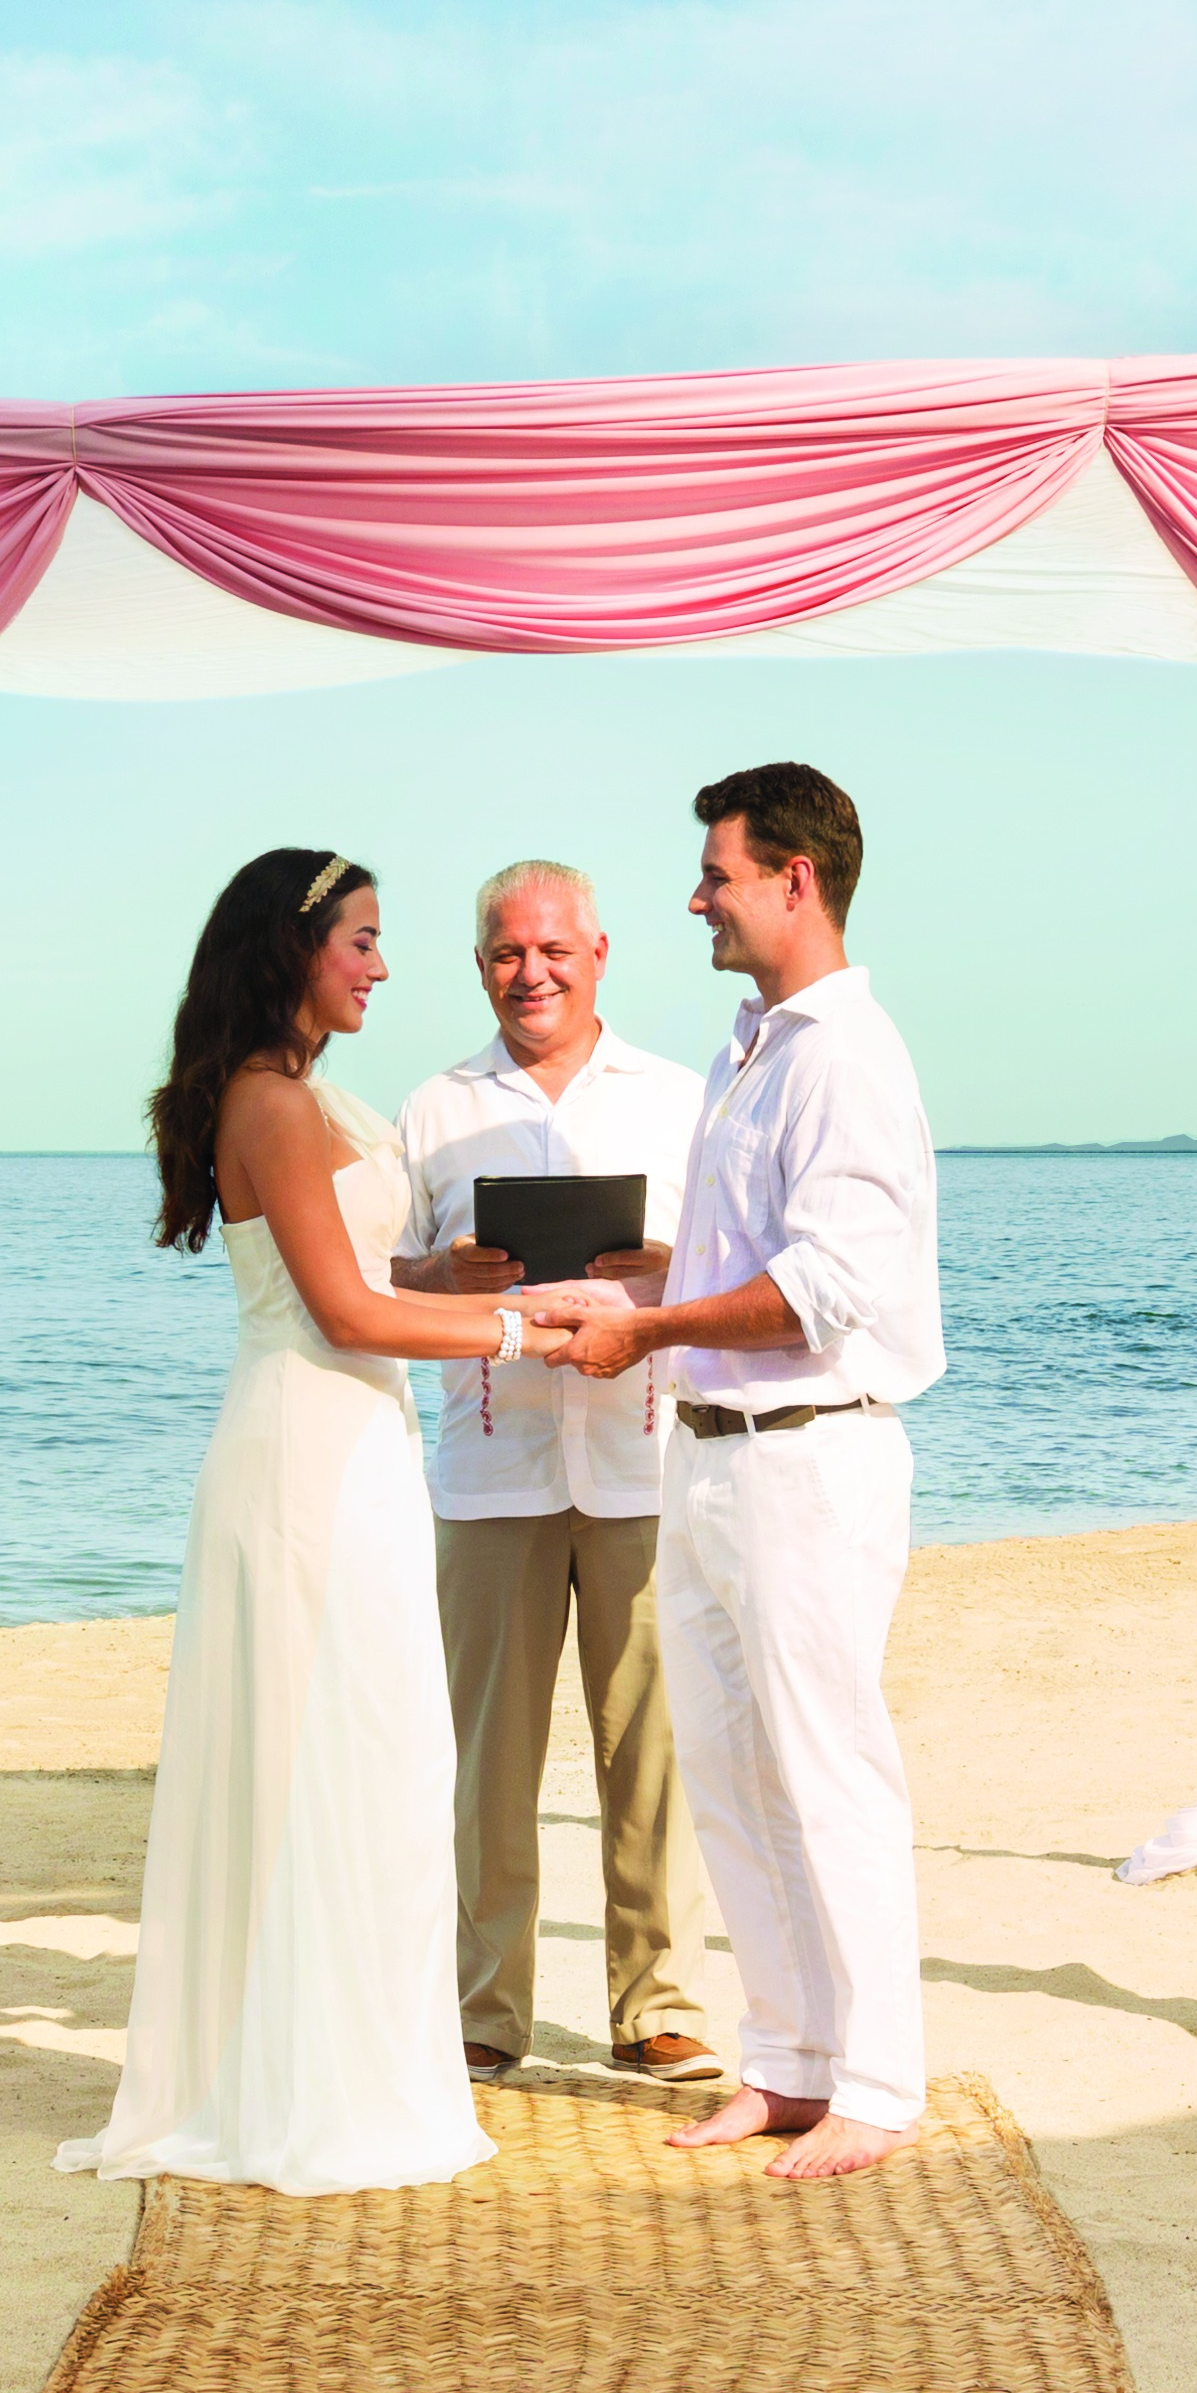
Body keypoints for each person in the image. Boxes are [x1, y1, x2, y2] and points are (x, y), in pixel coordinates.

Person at [64, 850, 572, 2195]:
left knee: (369, 1751)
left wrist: (446, 1278)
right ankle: (317, 2080)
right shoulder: (271, 1104)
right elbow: (342, 1319)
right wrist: (528, 1326)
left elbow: (352, 1279)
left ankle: (340, 2052)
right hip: (306, 1451)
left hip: (345, 1441)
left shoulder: (304, 1099)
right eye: (360, 941)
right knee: (335, 1754)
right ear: (290, 949)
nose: (381, 966)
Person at [522, 763, 941, 2181]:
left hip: (808, 1456)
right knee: (730, 1770)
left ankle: (879, 2083)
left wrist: (648, 1326)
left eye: (717, 872)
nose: (697, 896)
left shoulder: (845, 1057)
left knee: (829, 1771)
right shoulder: (748, 1051)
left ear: (794, 880)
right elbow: (736, 1262)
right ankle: (789, 2063)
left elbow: (819, 1288)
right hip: (704, 1455)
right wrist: (623, 1289)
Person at [390, 858, 713, 2082]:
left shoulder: (681, 1099)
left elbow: (728, 1277)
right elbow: (379, 1280)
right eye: (505, 953)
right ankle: (486, 2010)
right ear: (479, 964)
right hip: (490, 1471)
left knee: (654, 1757)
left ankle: (658, 2003)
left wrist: (654, 1266)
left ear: (600, 954)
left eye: (552, 952)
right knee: (488, 1763)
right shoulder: (432, 1109)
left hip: (640, 1459)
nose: (531, 974)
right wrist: (446, 1277)